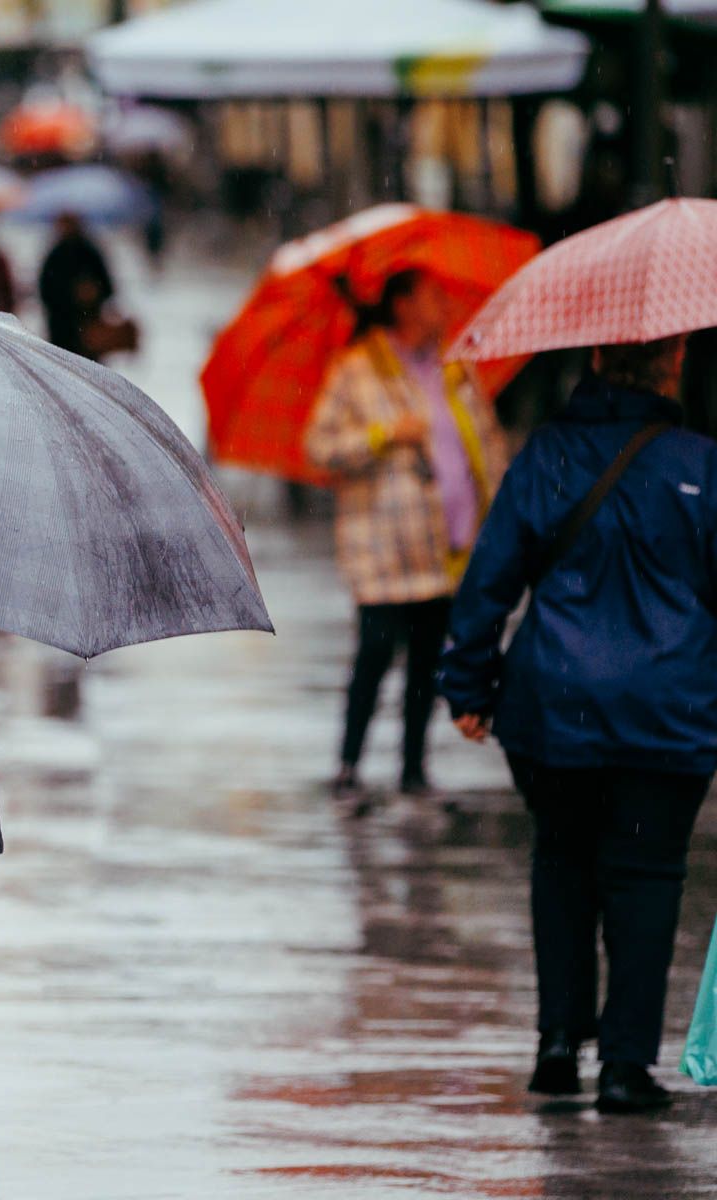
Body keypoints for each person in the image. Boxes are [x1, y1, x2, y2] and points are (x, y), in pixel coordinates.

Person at [439, 335, 717, 1114]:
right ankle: (626, 1064)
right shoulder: (702, 465)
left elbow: (490, 577)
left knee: (561, 862)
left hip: (553, 705)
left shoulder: (546, 456)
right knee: (648, 876)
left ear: (594, 361)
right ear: (674, 364)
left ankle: (558, 1043)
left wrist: (468, 683)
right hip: (670, 710)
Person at [303, 268, 507, 805]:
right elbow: (320, 446)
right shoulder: (357, 370)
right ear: (402, 305)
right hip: (383, 550)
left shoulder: (456, 367)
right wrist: (383, 434)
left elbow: (485, 444)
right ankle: (348, 764)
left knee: (426, 662)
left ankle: (413, 768)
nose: (444, 304)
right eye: (432, 296)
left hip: (445, 546)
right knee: (373, 655)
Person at [38, 212, 115, 359]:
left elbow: (108, 286)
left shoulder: (90, 253)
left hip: (89, 330)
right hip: (62, 330)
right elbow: (46, 291)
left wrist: (93, 292)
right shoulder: (55, 256)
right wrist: (69, 295)